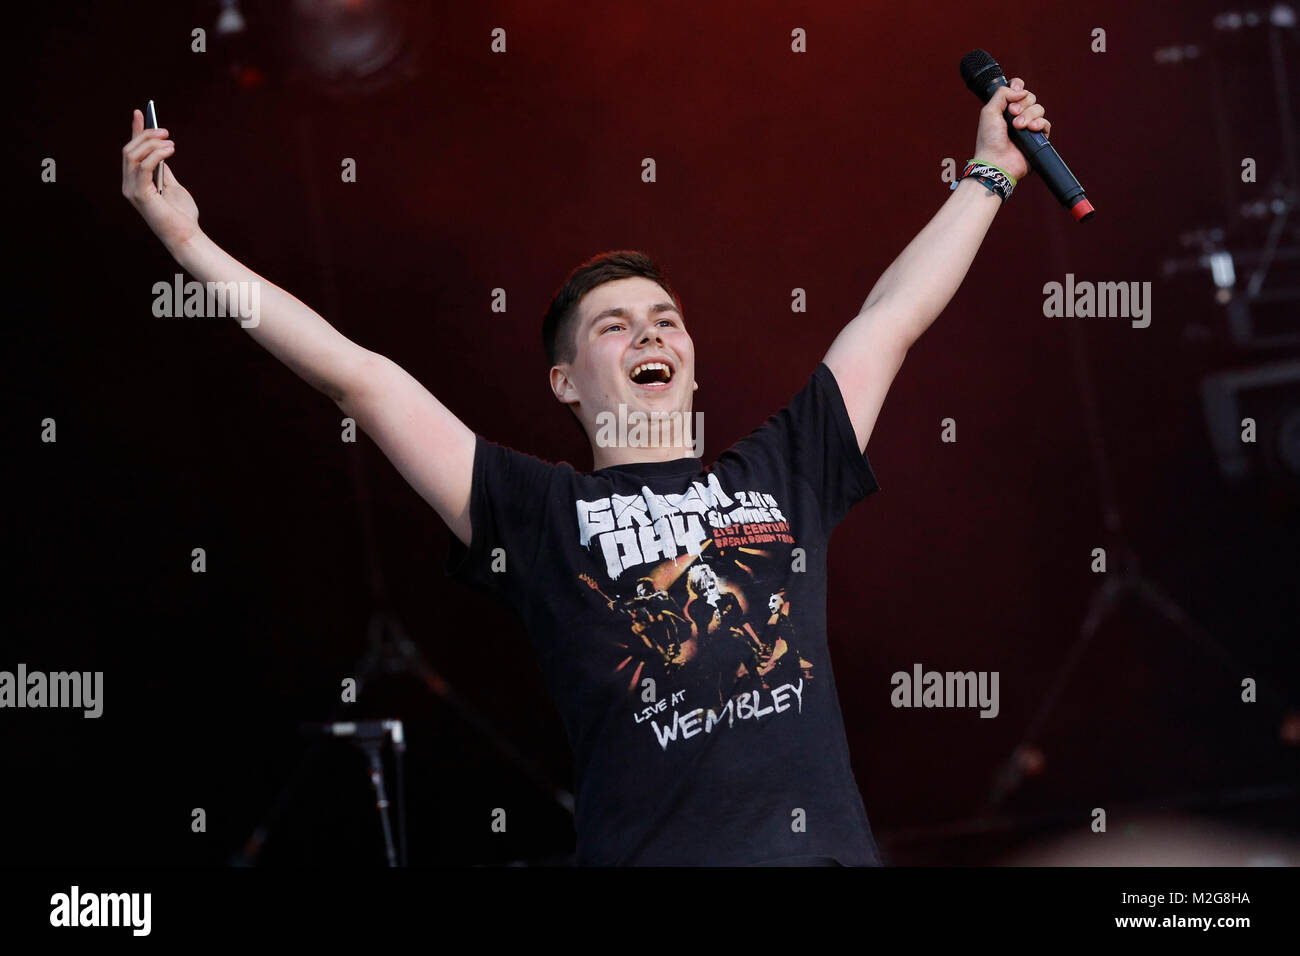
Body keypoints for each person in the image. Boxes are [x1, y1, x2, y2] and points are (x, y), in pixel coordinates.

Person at [120, 80, 1051, 865]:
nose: (650, 331)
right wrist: (189, 245)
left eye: (666, 318)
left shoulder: (783, 468)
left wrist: (989, 176)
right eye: (615, 324)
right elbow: (360, 378)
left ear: (689, 357)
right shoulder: (537, 512)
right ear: (566, 382)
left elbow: (889, 316)